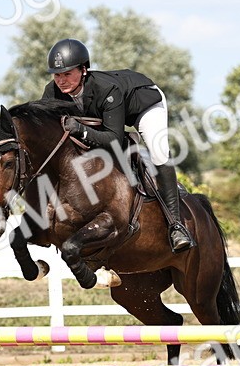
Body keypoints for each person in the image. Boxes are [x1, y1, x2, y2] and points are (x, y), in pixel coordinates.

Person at [40, 38, 195, 253]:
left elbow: (112, 138)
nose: (61, 81)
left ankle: (176, 226)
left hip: (143, 104)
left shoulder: (106, 89)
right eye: (57, 75)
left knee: (158, 153)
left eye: (67, 74)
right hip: (106, 118)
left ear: (83, 70)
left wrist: (81, 130)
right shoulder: (52, 93)